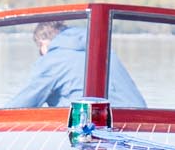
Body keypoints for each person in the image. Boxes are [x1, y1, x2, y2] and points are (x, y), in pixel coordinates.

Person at [9, 18, 145, 109]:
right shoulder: (103, 51)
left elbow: (23, 105)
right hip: (141, 125)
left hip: (100, 129)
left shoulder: (53, 60)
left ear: (43, 43)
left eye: (40, 50)